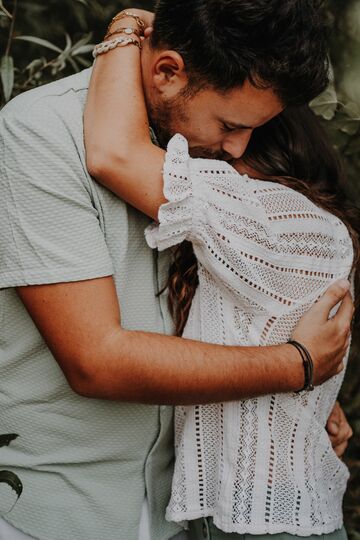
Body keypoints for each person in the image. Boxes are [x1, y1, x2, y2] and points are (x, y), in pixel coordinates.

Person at [0, 3, 354, 540]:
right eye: (232, 125)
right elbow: (97, 360)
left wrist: (298, 415)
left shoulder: (213, 170)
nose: (238, 147)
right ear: (167, 71)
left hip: (182, 508)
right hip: (56, 506)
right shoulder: (42, 134)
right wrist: (296, 368)